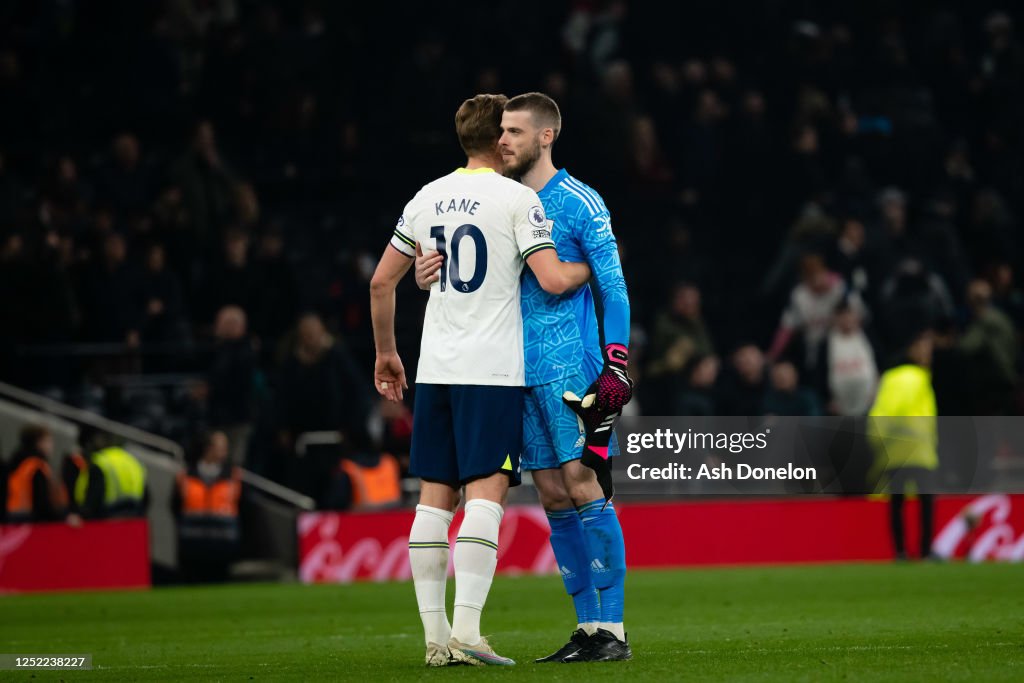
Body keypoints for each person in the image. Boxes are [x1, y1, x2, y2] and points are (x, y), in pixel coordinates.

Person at [370, 93, 591, 667]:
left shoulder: (425, 197)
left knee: (433, 499)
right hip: (492, 372)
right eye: (509, 131)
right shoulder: (517, 199)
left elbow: (380, 283)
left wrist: (387, 354)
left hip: (435, 369)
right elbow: (552, 279)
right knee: (486, 494)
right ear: (499, 138)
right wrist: (593, 263)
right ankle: (467, 630)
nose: (513, 140)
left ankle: (435, 641)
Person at [418, 92, 633, 663]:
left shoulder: (580, 202)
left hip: (569, 367)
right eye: (500, 131)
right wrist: (425, 269)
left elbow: (614, 285)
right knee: (553, 496)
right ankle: (585, 628)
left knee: (582, 484)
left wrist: (616, 361)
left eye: (513, 131)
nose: (502, 140)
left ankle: (613, 630)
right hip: (512, 371)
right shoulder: (499, 199)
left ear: (545, 136)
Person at [868, 331, 938, 560]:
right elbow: (896, 411)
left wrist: (877, 439)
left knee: (897, 502)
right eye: (923, 346)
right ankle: (925, 551)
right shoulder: (913, 377)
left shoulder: (893, 377)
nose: (928, 352)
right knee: (925, 501)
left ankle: (900, 551)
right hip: (917, 450)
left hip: (894, 451)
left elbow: (883, 412)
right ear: (912, 349)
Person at [173, 430, 241, 583]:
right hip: (192, 543)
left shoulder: (233, 475)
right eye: (221, 447)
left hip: (223, 545)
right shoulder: (186, 475)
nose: (225, 452)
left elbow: (243, 507)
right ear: (208, 448)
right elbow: (175, 505)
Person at [73, 430, 148, 520]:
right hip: (132, 522)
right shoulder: (134, 463)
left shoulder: (100, 462)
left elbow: (92, 501)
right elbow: (146, 499)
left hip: (105, 522)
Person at [4, 425, 66, 522]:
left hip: (11, 517)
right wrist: (63, 517)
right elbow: (42, 503)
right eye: (48, 441)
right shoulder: (37, 466)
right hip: (30, 521)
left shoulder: (15, 462)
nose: (51, 446)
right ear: (38, 442)